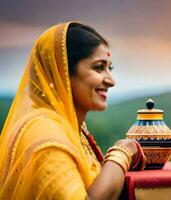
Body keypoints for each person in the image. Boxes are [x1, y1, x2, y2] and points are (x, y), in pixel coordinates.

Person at [0, 22, 145, 200]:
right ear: (63, 71)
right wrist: (121, 153)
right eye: (99, 67)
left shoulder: (72, 127)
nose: (111, 80)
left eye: (109, 68)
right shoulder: (45, 136)